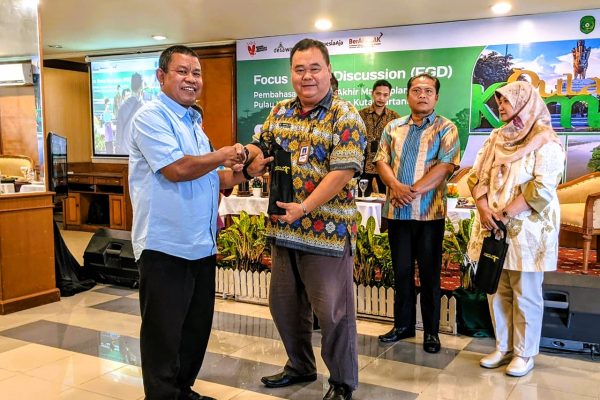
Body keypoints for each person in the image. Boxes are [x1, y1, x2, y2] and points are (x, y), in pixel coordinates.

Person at [128, 44, 270, 400]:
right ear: (161, 76)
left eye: (197, 73)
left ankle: (182, 390)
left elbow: (212, 178)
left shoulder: (194, 122)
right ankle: (162, 396)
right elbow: (177, 170)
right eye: (182, 71)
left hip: (200, 244)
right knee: (164, 333)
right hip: (165, 244)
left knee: (194, 329)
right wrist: (222, 154)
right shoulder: (150, 117)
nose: (192, 79)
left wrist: (245, 172)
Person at [245, 38, 366, 400]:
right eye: (299, 69)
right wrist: (246, 153)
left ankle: (342, 382)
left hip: (327, 234)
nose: (307, 76)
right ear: (291, 73)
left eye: (314, 68)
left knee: (333, 314)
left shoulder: (345, 116)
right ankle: (299, 366)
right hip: (284, 230)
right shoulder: (280, 110)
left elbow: (342, 172)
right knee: (284, 307)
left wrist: (305, 207)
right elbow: (262, 145)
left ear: (329, 70)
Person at [467, 80, 564, 377]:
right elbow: (476, 175)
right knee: (497, 288)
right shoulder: (496, 137)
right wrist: (484, 209)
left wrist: (506, 213)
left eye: (506, 102)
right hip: (492, 226)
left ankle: (524, 353)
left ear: (524, 103)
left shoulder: (544, 139)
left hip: (528, 230)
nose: (500, 107)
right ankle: (503, 347)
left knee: (526, 293)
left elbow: (542, 188)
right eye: (499, 102)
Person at [374, 73, 460, 353]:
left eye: (428, 91)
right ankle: (403, 325)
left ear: (436, 96)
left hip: (429, 214)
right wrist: (395, 187)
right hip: (397, 214)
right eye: (416, 90)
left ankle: (431, 333)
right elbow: (381, 161)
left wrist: (410, 191)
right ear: (408, 95)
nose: (422, 95)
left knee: (430, 274)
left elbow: (446, 167)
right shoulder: (392, 127)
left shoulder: (447, 128)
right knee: (400, 272)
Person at [359, 80, 400, 196]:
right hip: (364, 165)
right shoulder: (360, 115)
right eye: (378, 94)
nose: (381, 98)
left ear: (389, 96)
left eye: (385, 95)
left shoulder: (395, 118)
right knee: (362, 198)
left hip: (385, 166)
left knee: (385, 199)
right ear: (372, 93)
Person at [116, 72, 144, 154]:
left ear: (131, 85)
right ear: (141, 86)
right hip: (138, 154)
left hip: (123, 153)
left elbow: (119, 132)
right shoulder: (143, 107)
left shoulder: (123, 107)